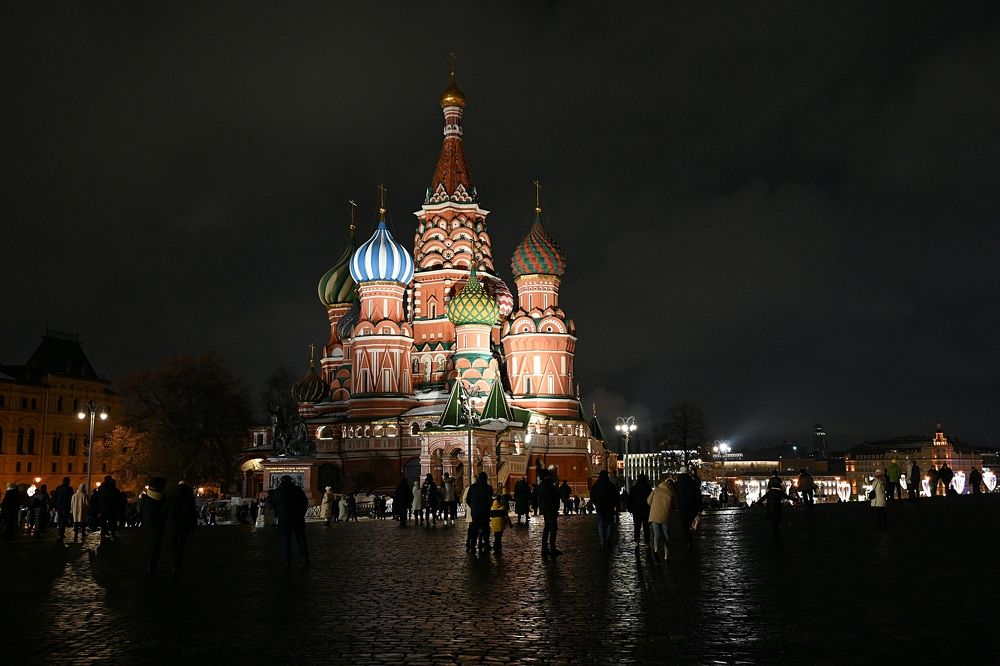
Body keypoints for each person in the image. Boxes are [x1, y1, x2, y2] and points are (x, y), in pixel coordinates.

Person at [269, 475, 309, 567]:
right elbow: (305, 502)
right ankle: (305, 556)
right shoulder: (298, 490)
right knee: (301, 539)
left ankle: (287, 559)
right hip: (298, 519)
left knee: (285, 540)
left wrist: (278, 513)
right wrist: (301, 513)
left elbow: (273, 505)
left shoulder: (277, 492)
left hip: (284, 520)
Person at [167, 480, 198, 572]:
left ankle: (176, 559)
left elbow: (166, 509)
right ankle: (178, 562)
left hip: (173, 523)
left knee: (174, 543)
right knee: (181, 543)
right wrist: (194, 526)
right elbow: (193, 512)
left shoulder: (172, 496)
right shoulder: (189, 497)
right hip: (185, 524)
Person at [140, 477, 168, 574]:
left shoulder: (145, 498)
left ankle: (150, 563)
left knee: (150, 544)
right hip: (158, 525)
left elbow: (141, 512)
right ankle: (152, 563)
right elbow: (165, 513)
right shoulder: (163, 498)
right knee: (156, 545)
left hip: (148, 524)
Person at [647, 477, 675, 563]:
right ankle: (667, 556)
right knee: (666, 536)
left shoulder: (656, 490)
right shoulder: (671, 492)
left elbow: (648, 501)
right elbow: (674, 506)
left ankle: (656, 550)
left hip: (654, 515)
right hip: (665, 516)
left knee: (657, 534)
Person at [590, 470, 619, 550]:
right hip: (609, 508)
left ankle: (602, 542)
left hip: (600, 508)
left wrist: (596, 504)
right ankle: (609, 537)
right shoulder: (610, 485)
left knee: (601, 525)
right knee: (610, 523)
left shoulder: (596, 485)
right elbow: (615, 495)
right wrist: (614, 504)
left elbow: (592, 496)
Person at [465, 472, 493, 554]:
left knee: (474, 529)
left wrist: (473, 507)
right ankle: (486, 544)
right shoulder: (488, 488)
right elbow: (490, 501)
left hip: (475, 512)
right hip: (485, 512)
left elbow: (468, 500)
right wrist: (487, 508)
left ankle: (473, 545)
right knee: (485, 529)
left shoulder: (473, 487)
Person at [674, 468, 702, 548]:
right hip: (692, 507)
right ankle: (690, 540)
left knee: (685, 525)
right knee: (691, 524)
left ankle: (687, 541)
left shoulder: (677, 483)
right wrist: (699, 508)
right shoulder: (693, 482)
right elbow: (698, 496)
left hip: (681, 508)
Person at [538, 466, 562, 557]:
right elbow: (554, 496)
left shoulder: (541, 486)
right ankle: (552, 548)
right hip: (550, 509)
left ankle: (544, 548)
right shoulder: (548, 486)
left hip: (546, 509)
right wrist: (556, 487)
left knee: (547, 528)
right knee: (553, 528)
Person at [628, 473, 653, 548]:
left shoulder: (633, 488)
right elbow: (651, 498)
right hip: (646, 509)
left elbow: (630, 500)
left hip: (636, 510)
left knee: (637, 526)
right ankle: (647, 542)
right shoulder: (648, 488)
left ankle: (636, 541)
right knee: (646, 527)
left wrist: (630, 509)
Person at [764, 472, 788, 538]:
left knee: (770, 507)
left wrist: (759, 501)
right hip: (778, 494)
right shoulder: (778, 479)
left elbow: (768, 487)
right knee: (778, 510)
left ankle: (770, 518)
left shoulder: (770, 479)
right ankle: (777, 524)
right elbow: (781, 486)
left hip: (772, 493)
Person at [98, 476, 121, 542]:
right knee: (111, 521)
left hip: (102, 507)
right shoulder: (112, 488)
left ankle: (103, 533)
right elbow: (115, 498)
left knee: (103, 521)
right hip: (111, 508)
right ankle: (112, 533)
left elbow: (98, 498)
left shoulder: (101, 488)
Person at [52, 477, 74, 541]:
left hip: (59, 506)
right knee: (63, 520)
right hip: (65, 506)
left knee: (60, 519)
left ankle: (60, 532)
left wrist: (55, 506)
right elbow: (71, 498)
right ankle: (61, 533)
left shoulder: (58, 488)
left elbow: (55, 497)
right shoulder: (69, 488)